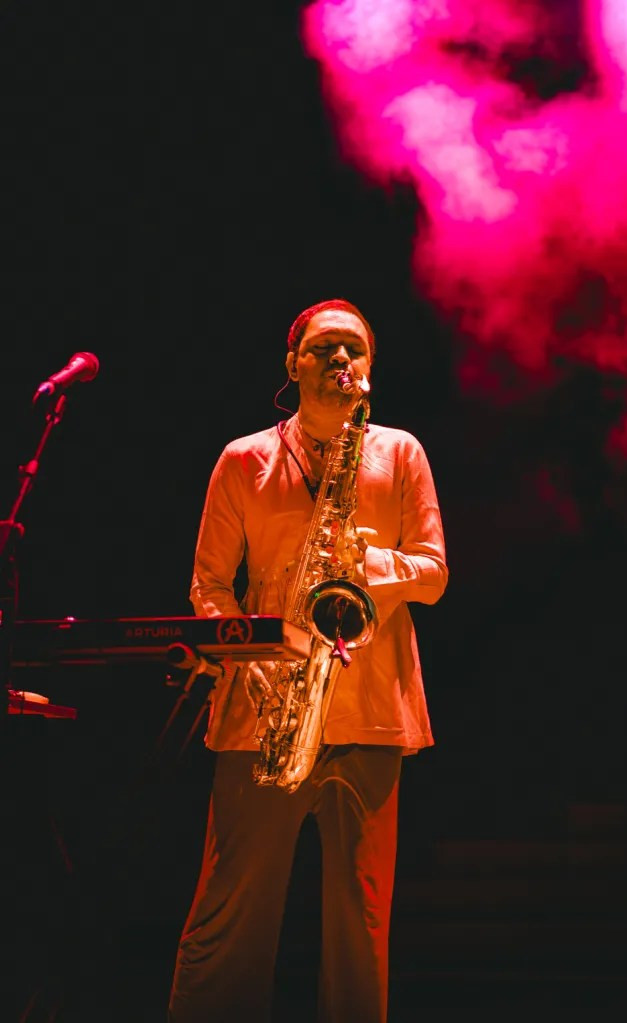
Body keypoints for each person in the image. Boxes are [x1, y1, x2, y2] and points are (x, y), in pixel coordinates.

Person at [168, 298, 448, 1023]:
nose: (340, 360)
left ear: (370, 371)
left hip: (371, 709)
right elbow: (207, 586)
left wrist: (368, 559)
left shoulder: (401, 452)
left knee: (362, 924)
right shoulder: (244, 458)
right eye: (323, 348)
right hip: (264, 710)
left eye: (353, 350)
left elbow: (435, 572)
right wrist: (247, 662)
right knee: (229, 918)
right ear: (291, 363)